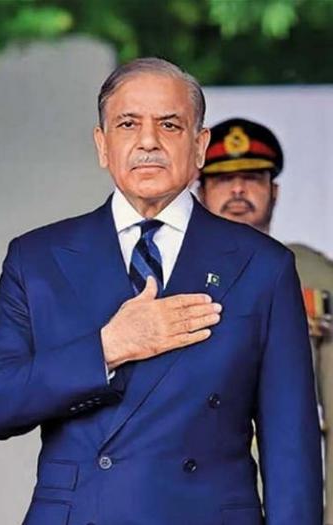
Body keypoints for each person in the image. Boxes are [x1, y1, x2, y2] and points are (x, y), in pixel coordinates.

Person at [0, 57, 321, 524]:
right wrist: (108, 348)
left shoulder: (262, 266)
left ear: (199, 146)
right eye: (128, 124)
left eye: (169, 125)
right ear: (102, 145)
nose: (148, 141)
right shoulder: (38, 258)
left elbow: (291, 448)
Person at [199, 117, 333, 524]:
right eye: (224, 180)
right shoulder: (168, 275)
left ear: (274, 191)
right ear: (200, 192)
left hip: (288, 496)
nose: (238, 190)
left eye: (252, 178)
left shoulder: (313, 276)